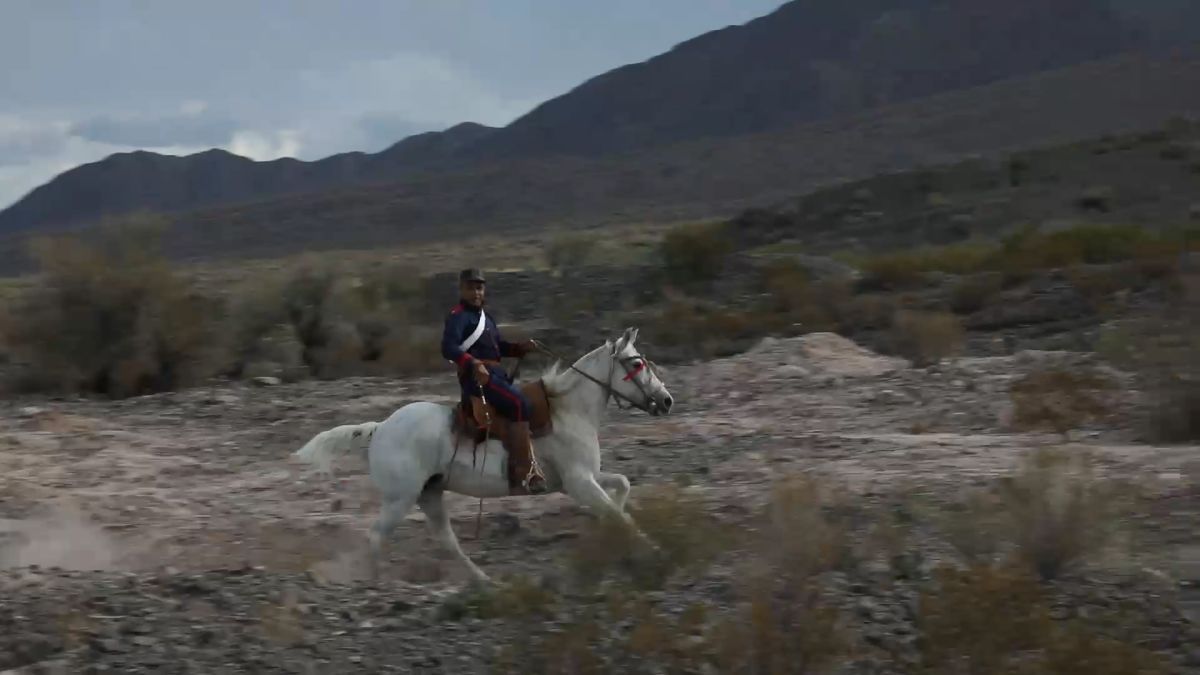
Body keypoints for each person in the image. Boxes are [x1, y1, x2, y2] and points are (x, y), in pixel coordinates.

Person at [441, 268, 547, 495]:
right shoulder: (457, 316)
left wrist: (519, 348)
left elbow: (499, 347)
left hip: (495, 375)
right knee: (520, 404)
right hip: (475, 378)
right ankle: (525, 471)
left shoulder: (486, 318)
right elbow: (448, 348)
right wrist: (473, 363)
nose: (476, 292)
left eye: (479, 287)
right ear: (461, 290)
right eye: (470, 288)